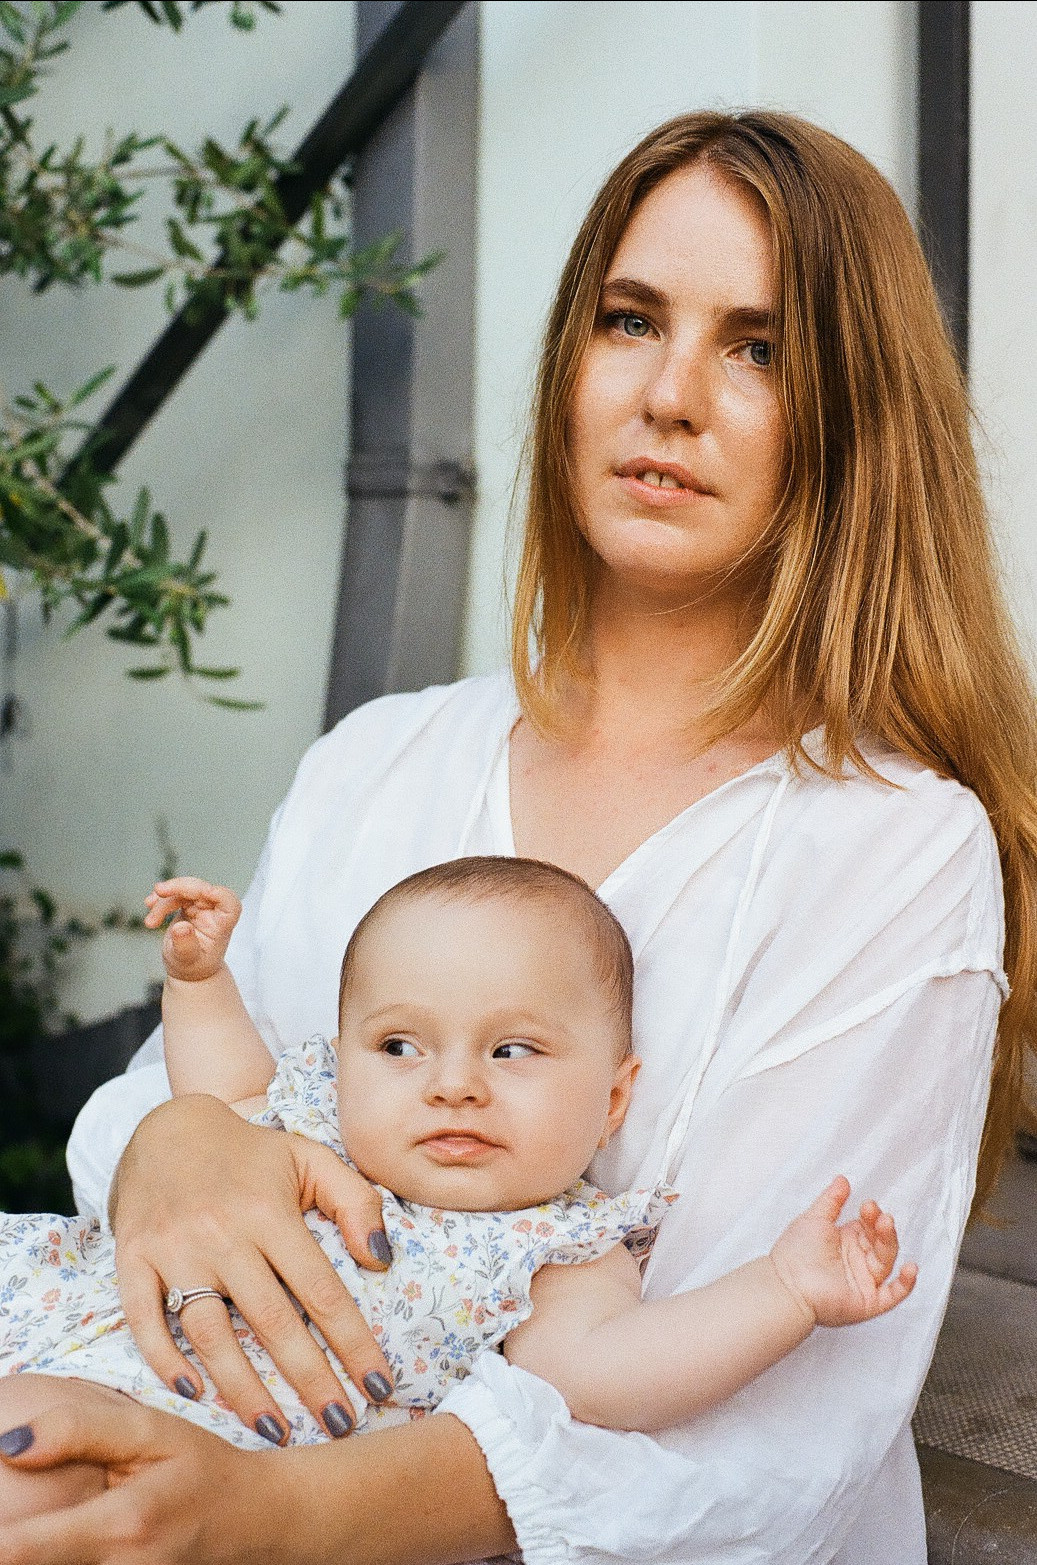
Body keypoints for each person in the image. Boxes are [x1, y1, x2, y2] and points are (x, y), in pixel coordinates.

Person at [1, 107, 1034, 1565]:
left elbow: (772, 1443)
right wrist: (179, 1140)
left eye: (759, 347)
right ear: (568, 363)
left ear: (854, 420)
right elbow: (190, 1104)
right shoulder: (384, 760)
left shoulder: (890, 849)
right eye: (630, 319)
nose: (671, 393)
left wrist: (264, 1516)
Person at [0, 856, 913, 1520]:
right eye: (399, 1046)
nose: (452, 1083)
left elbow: (607, 1377)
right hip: (55, 1308)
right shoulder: (309, 1118)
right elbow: (218, 1092)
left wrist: (782, 1291)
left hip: (169, 1436)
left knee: (34, 1458)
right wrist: (199, 983)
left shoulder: (560, 1248)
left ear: (614, 1097)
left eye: (511, 1049)